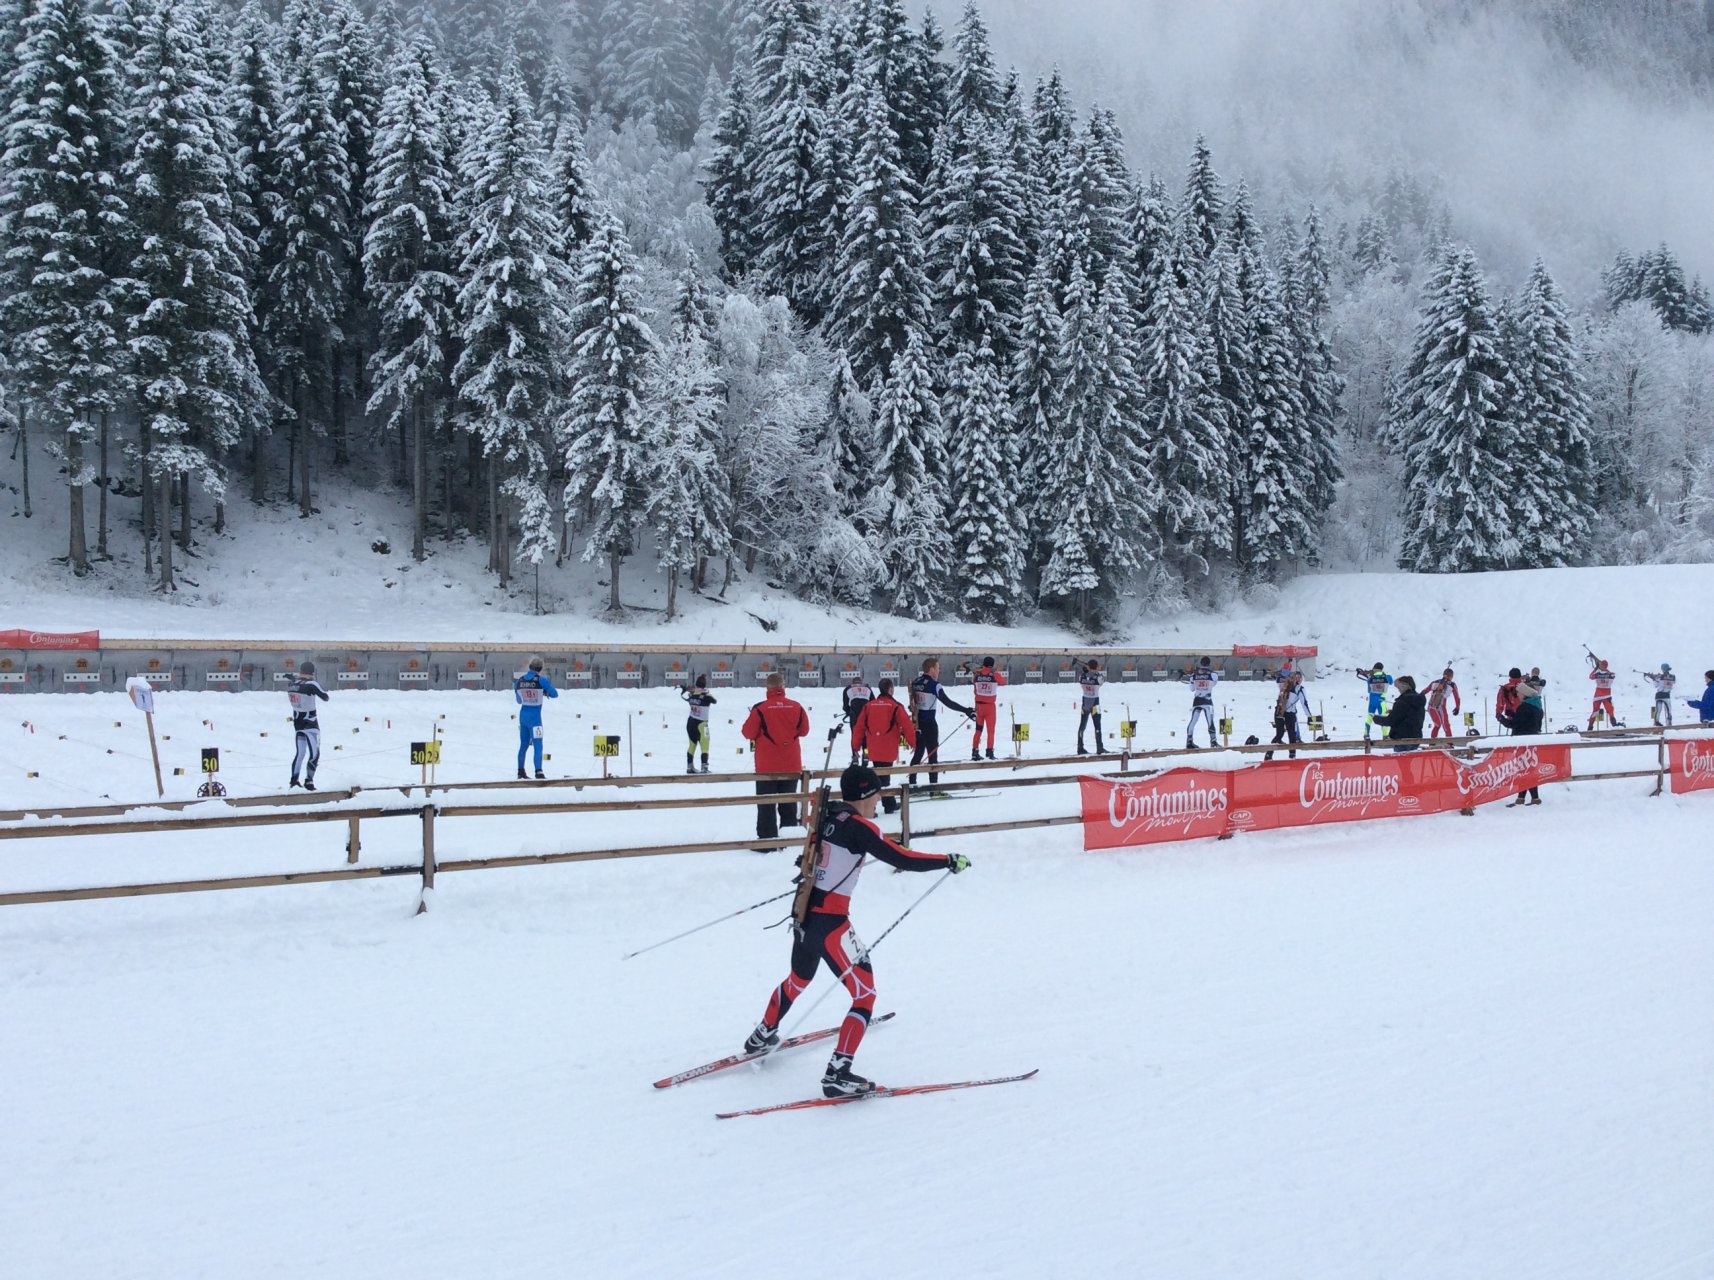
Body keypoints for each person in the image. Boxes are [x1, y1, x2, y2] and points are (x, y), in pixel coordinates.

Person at [741, 762, 970, 1098]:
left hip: (803, 917)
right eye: (877, 794)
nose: (879, 802)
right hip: (831, 926)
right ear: (866, 793)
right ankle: (838, 1073)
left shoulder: (829, 816)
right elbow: (902, 858)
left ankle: (762, 1033)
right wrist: (946, 860)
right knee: (865, 995)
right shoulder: (860, 828)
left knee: (798, 980)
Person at [741, 673, 810, 850]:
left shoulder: (761, 709)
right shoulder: (797, 707)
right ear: (783, 686)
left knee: (767, 804)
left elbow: (748, 732)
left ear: (767, 687)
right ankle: (788, 841)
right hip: (791, 764)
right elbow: (804, 731)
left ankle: (767, 841)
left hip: (767, 766)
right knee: (788, 803)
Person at [851, 678, 915, 814]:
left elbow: (859, 728)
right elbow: (907, 726)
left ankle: (886, 803)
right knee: (883, 778)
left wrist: (855, 747)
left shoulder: (869, 706)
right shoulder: (895, 706)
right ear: (891, 689)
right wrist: (913, 742)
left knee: (881, 775)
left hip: (873, 746)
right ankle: (877, 805)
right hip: (889, 747)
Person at [908, 658, 973, 790]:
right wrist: (966, 710)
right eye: (938, 668)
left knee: (918, 754)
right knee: (932, 755)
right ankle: (934, 788)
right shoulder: (934, 684)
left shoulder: (916, 682)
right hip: (930, 724)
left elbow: (912, 703)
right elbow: (947, 702)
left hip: (917, 723)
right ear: (931, 669)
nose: (939, 670)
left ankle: (911, 786)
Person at [1505, 668, 1546, 807]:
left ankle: (1531, 797)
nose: (1518, 695)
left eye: (1519, 693)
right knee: (1528, 768)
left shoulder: (1525, 707)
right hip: (1533, 740)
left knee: (1523, 769)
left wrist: (1502, 719)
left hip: (1522, 741)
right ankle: (1524, 797)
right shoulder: (1537, 706)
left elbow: (1515, 724)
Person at [513, 657, 559, 780]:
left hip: (523, 715)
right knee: (538, 744)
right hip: (535, 718)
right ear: (540, 669)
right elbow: (555, 694)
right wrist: (544, 692)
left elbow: (518, 700)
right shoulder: (541, 680)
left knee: (523, 744)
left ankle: (520, 771)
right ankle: (538, 771)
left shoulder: (520, 681)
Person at [287, 661, 330, 790]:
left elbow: (298, 683)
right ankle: (309, 781)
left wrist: (295, 677)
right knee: (314, 754)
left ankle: (294, 781)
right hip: (310, 723)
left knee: (300, 754)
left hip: (298, 723)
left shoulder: (291, 683)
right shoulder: (311, 684)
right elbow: (325, 697)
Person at [967, 657, 1006, 761]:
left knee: (978, 730)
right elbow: (1003, 681)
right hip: (990, 707)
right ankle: (989, 752)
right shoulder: (994, 674)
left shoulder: (977, 675)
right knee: (991, 731)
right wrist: (994, 671)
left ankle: (974, 752)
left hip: (979, 707)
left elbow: (974, 688)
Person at [1374, 675, 1427, 752]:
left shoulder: (1402, 701)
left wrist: (1376, 719)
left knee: (1402, 763)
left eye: (1399, 688)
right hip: (1416, 738)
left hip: (1402, 739)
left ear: (1404, 687)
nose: (1398, 690)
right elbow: (1410, 715)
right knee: (1408, 762)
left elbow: (1391, 720)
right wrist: (1393, 711)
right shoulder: (1419, 700)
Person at [1265, 672, 1308, 761]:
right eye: (1298, 678)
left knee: (1280, 734)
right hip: (1287, 713)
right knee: (1290, 735)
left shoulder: (1285, 685)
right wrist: (1309, 716)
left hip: (1279, 712)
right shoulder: (1298, 688)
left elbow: (1278, 681)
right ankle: (1291, 756)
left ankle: (1269, 755)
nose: (1299, 680)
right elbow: (1304, 703)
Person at [682, 674, 717, 774]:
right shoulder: (706, 695)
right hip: (702, 724)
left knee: (692, 745)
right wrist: (706, 692)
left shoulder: (692, 694)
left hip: (690, 722)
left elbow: (690, 697)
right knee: (705, 744)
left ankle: (689, 766)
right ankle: (704, 767)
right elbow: (714, 701)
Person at [1184, 657, 1219, 750]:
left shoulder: (1193, 675)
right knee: (1210, 721)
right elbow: (1214, 683)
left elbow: (1191, 689)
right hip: (1207, 700)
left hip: (1197, 700)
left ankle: (1189, 741)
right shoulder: (1213, 674)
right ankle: (1213, 741)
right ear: (1209, 663)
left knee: (1193, 721)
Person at [1075, 658, 1107, 755]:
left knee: (1082, 725)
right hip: (1095, 703)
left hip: (1085, 703)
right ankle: (1099, 747)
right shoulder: (1098, 677)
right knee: (1097, 726)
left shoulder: (1082, 676)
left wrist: (1087, 671)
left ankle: (1080, 747)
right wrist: (1092, 671)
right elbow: (1102, 681)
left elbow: (1083, 679)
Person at [1356, 662, 1392, 738]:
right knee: (1384, 718)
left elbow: (1369, 689)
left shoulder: (1370, 678)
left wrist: (1367, 674)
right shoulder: (1386, 676)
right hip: (1381, 701)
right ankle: (1385, 735)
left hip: (1372, 701)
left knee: (1369, 718)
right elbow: (1391, 681)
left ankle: (1366, 734)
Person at [1586, 656, 1621, 730]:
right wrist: (1604, 668)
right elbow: (1612, 674)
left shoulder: (1597, 674)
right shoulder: (1610, 674)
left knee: (1595, 711)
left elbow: (1590, 676)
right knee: (1610, 710)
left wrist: (1596, 668)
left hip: (1597, 695)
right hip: (1606, 695)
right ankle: (1614, 725)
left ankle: (1590, 727)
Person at [1425, 668, 1462, 738]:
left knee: (1437, 725)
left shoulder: (1435, 682)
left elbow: (1425, 691)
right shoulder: (1452, 685)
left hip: (1431, 707)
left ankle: (1432, 743)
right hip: (1441, 707)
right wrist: (1457, 707)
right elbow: (1457, 697)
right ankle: (1449, 743)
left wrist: (1418, 699)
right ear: (1451, 677)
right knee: (1445, 725)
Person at [841, 673, 873, 749]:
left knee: (854, 734)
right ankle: (865, 753)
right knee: (866, 733)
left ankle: (854, 755)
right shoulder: (867, 688)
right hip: (866, 713)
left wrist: (848, 711)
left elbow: (845, 705)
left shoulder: (848, 688)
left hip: (854, 713)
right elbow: (873, 702)